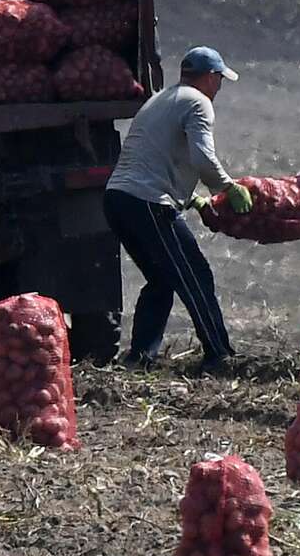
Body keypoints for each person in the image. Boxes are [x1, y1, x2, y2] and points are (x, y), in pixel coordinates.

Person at [104, 46, 256, 371]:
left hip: (118, 198)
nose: (219, 87)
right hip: (148, 201)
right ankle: (220, 354)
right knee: (195, 275)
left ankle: (140, 357)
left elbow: (158, 155)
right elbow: (202, 156)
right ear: (210, 76)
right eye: (220, 79)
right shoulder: (198, 102)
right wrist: (228, 187)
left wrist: (195, 200)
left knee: (160, 279)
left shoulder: (162, 98)